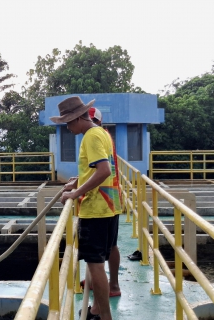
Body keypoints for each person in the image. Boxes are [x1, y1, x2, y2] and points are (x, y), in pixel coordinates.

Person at [50, 96, 122, 320]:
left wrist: (75, 193)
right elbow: (96, 170)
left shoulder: (90, 137)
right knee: (102, 256)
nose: (68, 127)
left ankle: (105, 317)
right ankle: (99, 310)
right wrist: (78, 181)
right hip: (109, 207)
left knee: (95, 263)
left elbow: (103, 171)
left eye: (69, 122)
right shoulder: (101, 133)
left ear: (79, 118)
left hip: (95, 209)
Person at [88, 107, 122, 297]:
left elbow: (102, 170)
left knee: (100, 252)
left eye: (93, 120)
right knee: (110, 245)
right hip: (111, 195)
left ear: (99, 122)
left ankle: (110, 286)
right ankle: (108, 284)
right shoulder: (105, 136)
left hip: (102, 199)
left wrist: (77, 191)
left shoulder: (96, 137)